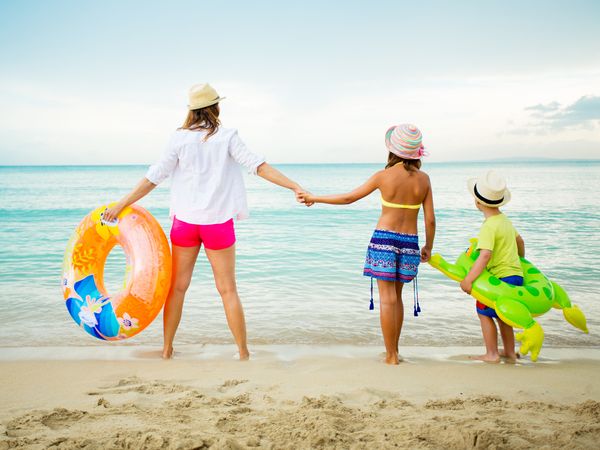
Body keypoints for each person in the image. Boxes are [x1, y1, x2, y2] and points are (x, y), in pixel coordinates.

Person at [103, 83, 306, 360]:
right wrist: (294, 186)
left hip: (185, 224)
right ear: (216, 107)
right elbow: (258, 166)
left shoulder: (178, 139)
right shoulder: (227, 137)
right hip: (218, 224)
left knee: (177, 288)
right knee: (227, 290)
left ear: (191, 110)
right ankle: (243, 352)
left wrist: (121, 204)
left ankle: (166, 350)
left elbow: (154, 177)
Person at [298, 124, 435, 365]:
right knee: (398, 297)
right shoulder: (424, 180)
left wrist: (314, 198)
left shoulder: (383, 176)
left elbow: (349, 198)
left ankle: (390, 355)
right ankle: (395, 350)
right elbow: (430, 219)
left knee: (387, 298)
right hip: (410, 242)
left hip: (384, 239)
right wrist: (428, 246)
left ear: (392, 150)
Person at [459, 170, 525, 363]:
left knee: (483, 312)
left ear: (478, 203)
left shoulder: (488, 226)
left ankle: (492, 354)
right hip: (515, 276)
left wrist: (468, 280)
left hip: (500, 279)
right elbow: (520, 242)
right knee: (503, 315)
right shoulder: (505, 221)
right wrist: (520, 260)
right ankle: (510, 352)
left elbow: (485, 255)